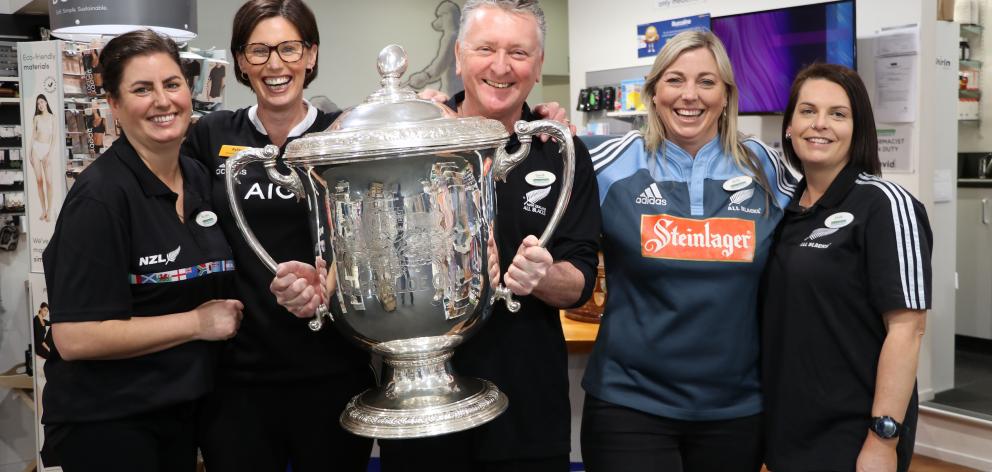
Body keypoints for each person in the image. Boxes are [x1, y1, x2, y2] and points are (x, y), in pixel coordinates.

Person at [377, 1, 601, 471]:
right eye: (485, 49)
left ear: (539, 65)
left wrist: (540, 276)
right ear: (458, 56)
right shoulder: (409, 142)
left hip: (527, 415)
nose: (501, 67)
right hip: (425, 412)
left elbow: (579, 278)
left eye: (519, 52)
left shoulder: (561, 150)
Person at [582, 30, 796, 471]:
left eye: (707, 82)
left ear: (726, 95)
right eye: (676, 80)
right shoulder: (609, 163)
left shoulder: (765, 167)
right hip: (630, 405)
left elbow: (827, 213)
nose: (690, 96)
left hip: (735, 410)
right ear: (654, 92)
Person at [180, 1, 375, 470]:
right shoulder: (210, 136)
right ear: (241, 61)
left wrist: (323, 286)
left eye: (289, 49)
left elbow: (371, 238)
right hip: (237, 379)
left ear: (311, 55)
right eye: (259, 51)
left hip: (333, 371)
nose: (275, 65)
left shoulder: (343, 137)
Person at [40, 29, 243, 471]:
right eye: (141, 89)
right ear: (113, 105)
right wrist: (196, 323)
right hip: (109, 421)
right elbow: (75, 337)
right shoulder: (101, 198)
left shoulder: (199, 178)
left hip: (178, 412)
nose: (163, 101)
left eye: (172, 84)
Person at [762, 63, 932, 472]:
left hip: (854, 434)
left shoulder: (886, 205)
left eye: (838, 114)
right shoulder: (779, 209)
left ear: (858, 129)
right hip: (785, 428)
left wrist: (883, 437)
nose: (820, 124)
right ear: (788, 126)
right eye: (807, 111)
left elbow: (908, 330)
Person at [30, 93, 56, 222]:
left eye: (42, 102)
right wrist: (30, 152)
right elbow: (33, 136)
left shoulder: (53, 117)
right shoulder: (36, 118)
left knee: (49, 182)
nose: (40, 105)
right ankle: (43, 211)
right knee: (39, 181)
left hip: (46, 150)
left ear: (46, 102)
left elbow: (54, 138)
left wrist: (49, 154)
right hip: (36, 149)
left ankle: (50, 212)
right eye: (38, 103)